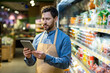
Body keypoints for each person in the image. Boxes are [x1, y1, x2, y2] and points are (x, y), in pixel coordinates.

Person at [23, 5, 71, 73]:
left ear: (55, 19)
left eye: (48, 19)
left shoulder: (64, 38)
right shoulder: (38, 38)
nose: (44, 22)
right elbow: (31, 63)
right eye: (43, 19)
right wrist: (28, 57)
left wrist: (46, 57)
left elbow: (65, 64)